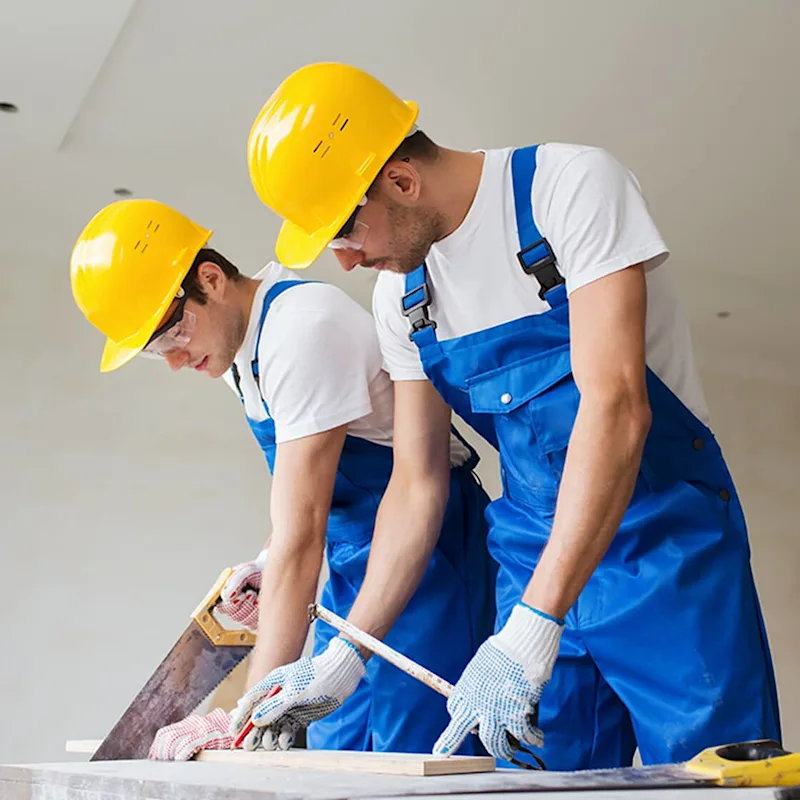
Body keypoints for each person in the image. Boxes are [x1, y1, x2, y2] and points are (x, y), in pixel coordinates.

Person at [241, 62, 781, 770]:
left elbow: (616, 406)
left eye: (345, 231)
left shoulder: (569, 188)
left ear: (401, 180)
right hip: (528, 553)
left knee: (715, 779)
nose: (345, 261)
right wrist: (349, 651)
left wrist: (537, 622)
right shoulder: (405, 299)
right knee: (532, 785)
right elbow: (416, 483)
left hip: (664, 554)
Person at [69, 198, 496, 760]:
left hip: (427, 561)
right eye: (154, 352)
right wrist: (267, 565)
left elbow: (304, 531)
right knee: (332, 754)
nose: (174, 360)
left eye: (171, 336)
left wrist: (239, 718)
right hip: (350, 569)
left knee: (406, 758)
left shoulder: (300, 329)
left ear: (211, 278)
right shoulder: (240, 358)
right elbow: (298, 512)